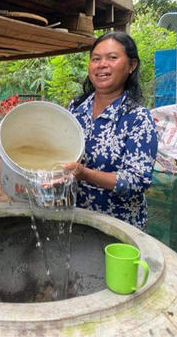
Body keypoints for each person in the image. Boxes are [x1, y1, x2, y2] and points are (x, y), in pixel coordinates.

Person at [63, 31, 158, 230]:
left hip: (119, 227)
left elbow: (137, 181)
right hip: (76, 218)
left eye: (112, 58)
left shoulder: (137, 118)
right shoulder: (76, 109)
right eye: (95, 59)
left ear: (131, 66)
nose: (101, 65)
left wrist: (85, 174)